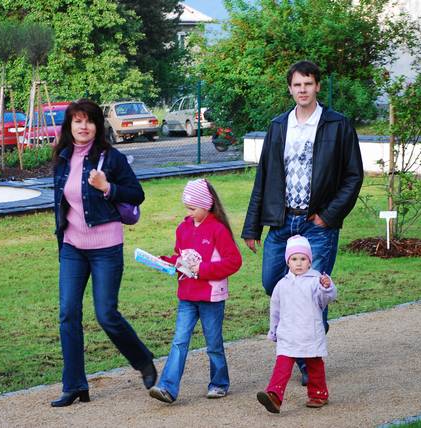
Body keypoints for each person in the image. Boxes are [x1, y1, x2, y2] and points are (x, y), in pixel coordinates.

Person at [241, 60, 363, 384]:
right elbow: (264, 176)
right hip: (281, 223)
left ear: (317, 86)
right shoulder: (279, 125)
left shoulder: (337, 125)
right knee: (273, 284)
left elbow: (353, 176)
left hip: (317, 225)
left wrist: (328, 216)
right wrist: (252, 226)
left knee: (311, 291)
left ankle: (309, 363)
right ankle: (309, 334)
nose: (303, 90)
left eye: (308, 84)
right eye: (297, 85)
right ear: (290, 88)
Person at [51, 99, 156, 407]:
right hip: (72, 247)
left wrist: (108, 187)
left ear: (98, 125)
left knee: (106, 314)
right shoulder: (62, 158)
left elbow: (137, 194)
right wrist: (62, 237)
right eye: (77, 121)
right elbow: (61, 203)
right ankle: (74, 385)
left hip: (106, 248)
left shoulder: (111, 158)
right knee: (68, 313)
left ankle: (143, 361)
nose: (83, 126)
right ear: (70, 126)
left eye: (89, 121)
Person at [148, 178, 242, 404]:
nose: (188, 213)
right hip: (187, 296)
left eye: (192, 208)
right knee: (179, 341)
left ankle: (219, 383)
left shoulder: (218, 229)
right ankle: (167, 387)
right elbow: (181, 257)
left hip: (211, 297)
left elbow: (234, 261)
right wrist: (167, 262)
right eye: (187, 208)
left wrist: (204, 270)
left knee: (214, 343)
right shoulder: (183, 228)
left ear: (207, 205)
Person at [257, 235, 337, 413]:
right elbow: (275, 310)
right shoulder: (281, 285)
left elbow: (325, 299)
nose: (299, 263)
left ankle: (318, 394)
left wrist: (326, 287)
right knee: (282, 365)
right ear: (288, 262)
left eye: (303, 259)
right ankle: (274, 396)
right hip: (288, 333)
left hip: (310, 332)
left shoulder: (316, 280)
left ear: (310, 261)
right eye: (294, 259)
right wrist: (274, 330)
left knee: (314, 364)